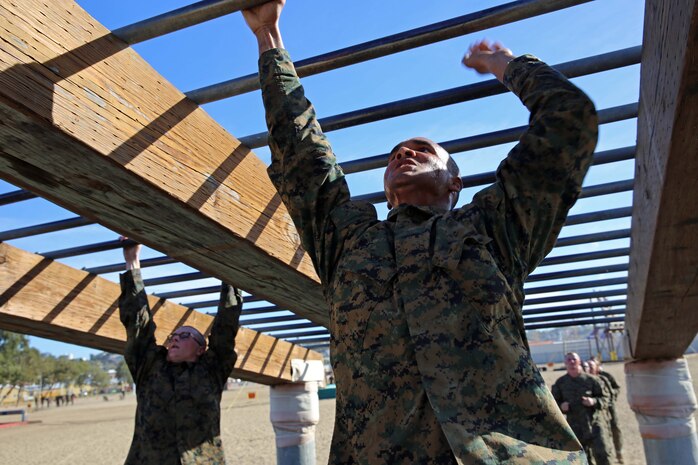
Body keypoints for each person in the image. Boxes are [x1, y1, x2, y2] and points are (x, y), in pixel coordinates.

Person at [243, 1, 598, 462]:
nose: (403, 154)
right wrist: (269, 38)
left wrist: (506, 65)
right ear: (387, 189)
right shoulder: (348, 239)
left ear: (456, 181)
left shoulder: (495, 227)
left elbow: (569, 119)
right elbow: (302, 155)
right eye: (394, 155)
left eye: (422, 150)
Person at [119, 240, 243, 465]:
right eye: (173, 337)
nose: (175, 339)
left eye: (185, 336)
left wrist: (230, 273)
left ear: (201, 348)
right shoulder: (150, 367)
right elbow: (138, 325)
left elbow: (225, 328)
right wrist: (132, 262)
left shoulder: (211, 371)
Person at [552, 353, 613, 465]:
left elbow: (606, 398)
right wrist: (561, 406)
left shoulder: (592, 380)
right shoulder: (560, 383)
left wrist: (594, 401)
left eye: (574, 359)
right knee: (582, 459)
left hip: (595, 425)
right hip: (575, 428)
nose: (571, 362)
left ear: (579, 361)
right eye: (568, 360)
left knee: (603, 456)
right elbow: (553, 404)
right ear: (565, 363)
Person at [588, 358, 623, 463]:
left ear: (597, 367)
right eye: (588, 367)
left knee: (615, 427)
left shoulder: (605, 377)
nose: (589, 369)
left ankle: (618, 451)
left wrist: (611, 398)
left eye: (592, 366)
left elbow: (615, 389)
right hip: (596, 410)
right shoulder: (585, 379)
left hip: (609, 406)